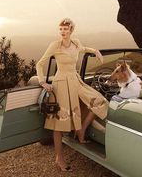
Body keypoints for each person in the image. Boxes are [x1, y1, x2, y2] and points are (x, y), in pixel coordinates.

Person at [36, 18, 108, 172]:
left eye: (65, 29)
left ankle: (81, 129)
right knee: (60, 123)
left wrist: (95, 51)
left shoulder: (76, 42)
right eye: (60, 29)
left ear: (71, 31)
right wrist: (43, 82)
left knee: (98, 101)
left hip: (75, 80)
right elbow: (40, 63)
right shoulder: (54, 45)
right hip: (61, 83)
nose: (62, 32)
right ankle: (59, 158)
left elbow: (83, 49)